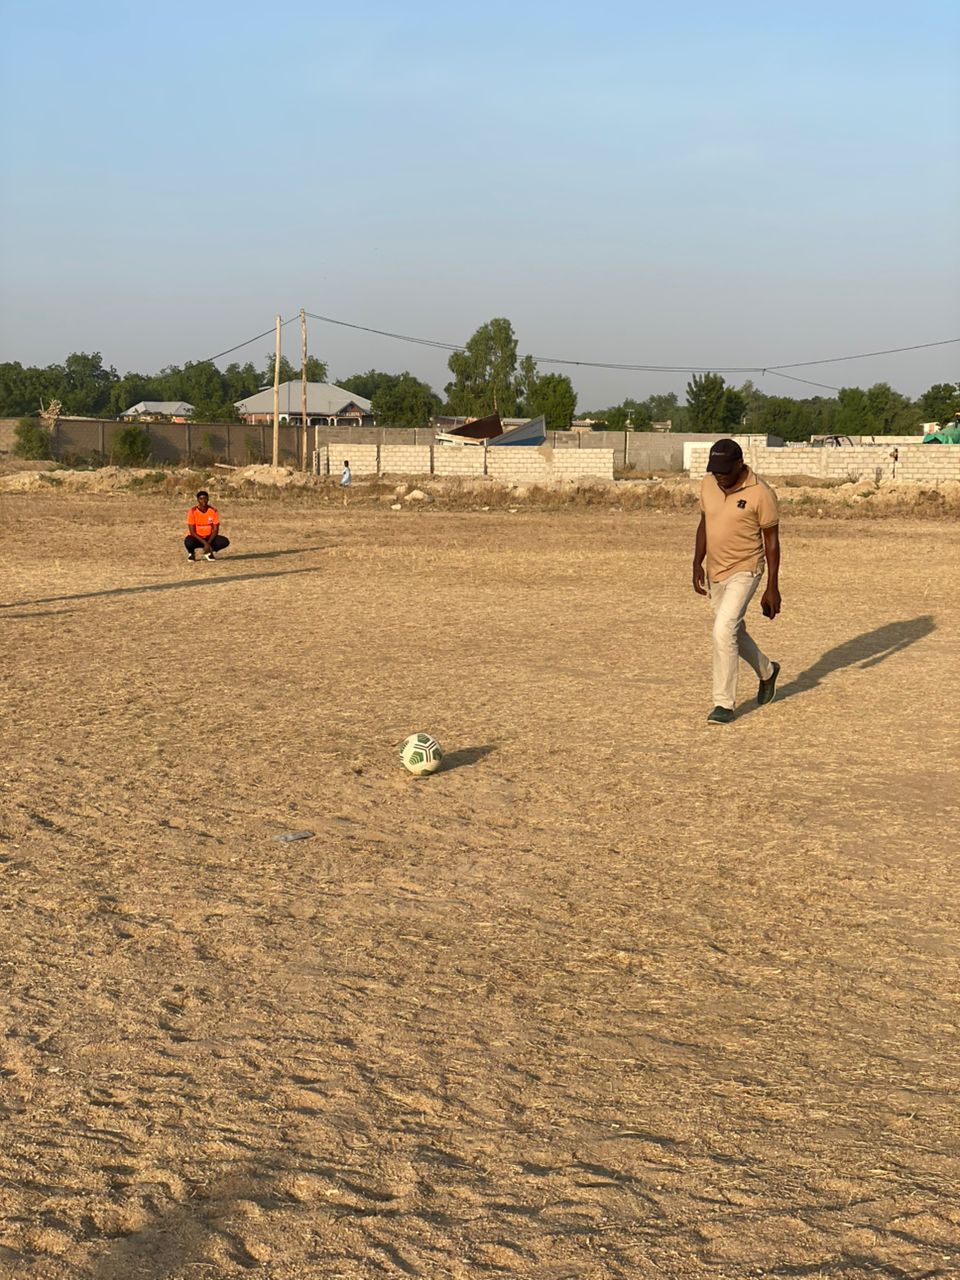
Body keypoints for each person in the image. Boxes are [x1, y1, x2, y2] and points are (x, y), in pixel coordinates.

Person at [692, 439, 781, 724]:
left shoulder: (760, 493)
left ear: (739, 464)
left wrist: (772, 586)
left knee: (722, 629)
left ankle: (723, 704)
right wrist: (697, 561)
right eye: (714, 470)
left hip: (746, 568)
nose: (718, 476)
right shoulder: (708, 484)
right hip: (715, 570)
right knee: (731, 631)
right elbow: (705, 523)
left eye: (723, 471)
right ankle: (767, 671)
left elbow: (772, 542)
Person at [184, 491, 230, 561]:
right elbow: (192, 531)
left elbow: (215, 530)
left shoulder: (213, 511)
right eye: (201, 499)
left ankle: (208, 552)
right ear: (198, 500)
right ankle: (191, 553)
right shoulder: (192, 511)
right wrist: (205, 543)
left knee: (224, 541)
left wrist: (208, 543)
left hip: (209, 537)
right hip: (197, 537)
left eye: (205, 498)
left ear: (208, 499)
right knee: (188, 542)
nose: (203, 501)